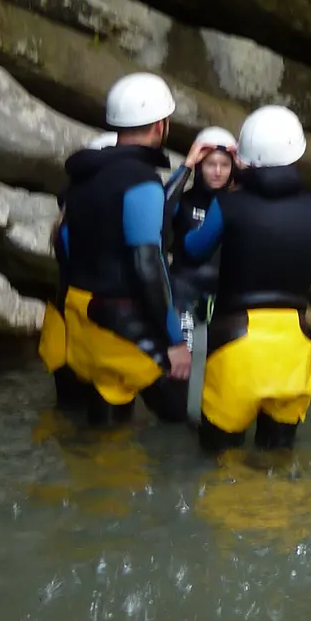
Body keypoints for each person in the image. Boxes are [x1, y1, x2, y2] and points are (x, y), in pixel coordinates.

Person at [180, 106, 311, 452]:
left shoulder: (228, 205)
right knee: (277, 464)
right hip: (294, 346)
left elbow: (193, 249)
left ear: (245, 157)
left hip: (237, 343)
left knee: (218, 465)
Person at [58, 76, 190, 425]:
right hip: (123, 322)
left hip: (84, 319)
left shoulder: (83, 177)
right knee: (187, 416)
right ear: (161, 125)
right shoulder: (141, 181)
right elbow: (148, 263)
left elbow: (66, 244)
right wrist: (175, 343)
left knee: (107, 425)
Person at [166, 126, 239, 421]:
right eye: (210, 164)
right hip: (185, 292)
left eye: (224, 165)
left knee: (219, 370)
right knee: (182, 375)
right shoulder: (183, 201)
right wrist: (186, 165)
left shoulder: (237, 204)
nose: (218, 172)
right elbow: (159, 209)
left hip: (221, 296)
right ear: (200, 165)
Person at [40, 131, 115, 410]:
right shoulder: (85, 220)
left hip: (65, 327)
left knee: (70, 411)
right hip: (87, 329)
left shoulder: (67, 215)